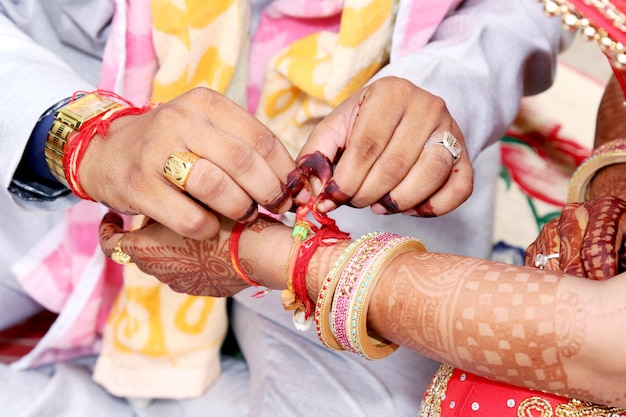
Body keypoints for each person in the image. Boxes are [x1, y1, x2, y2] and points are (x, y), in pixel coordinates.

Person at [0, 0, 567, 416]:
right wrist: (73, 133)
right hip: (50, 131)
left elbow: (538, 8)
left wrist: (447, 81)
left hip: (367, 180)